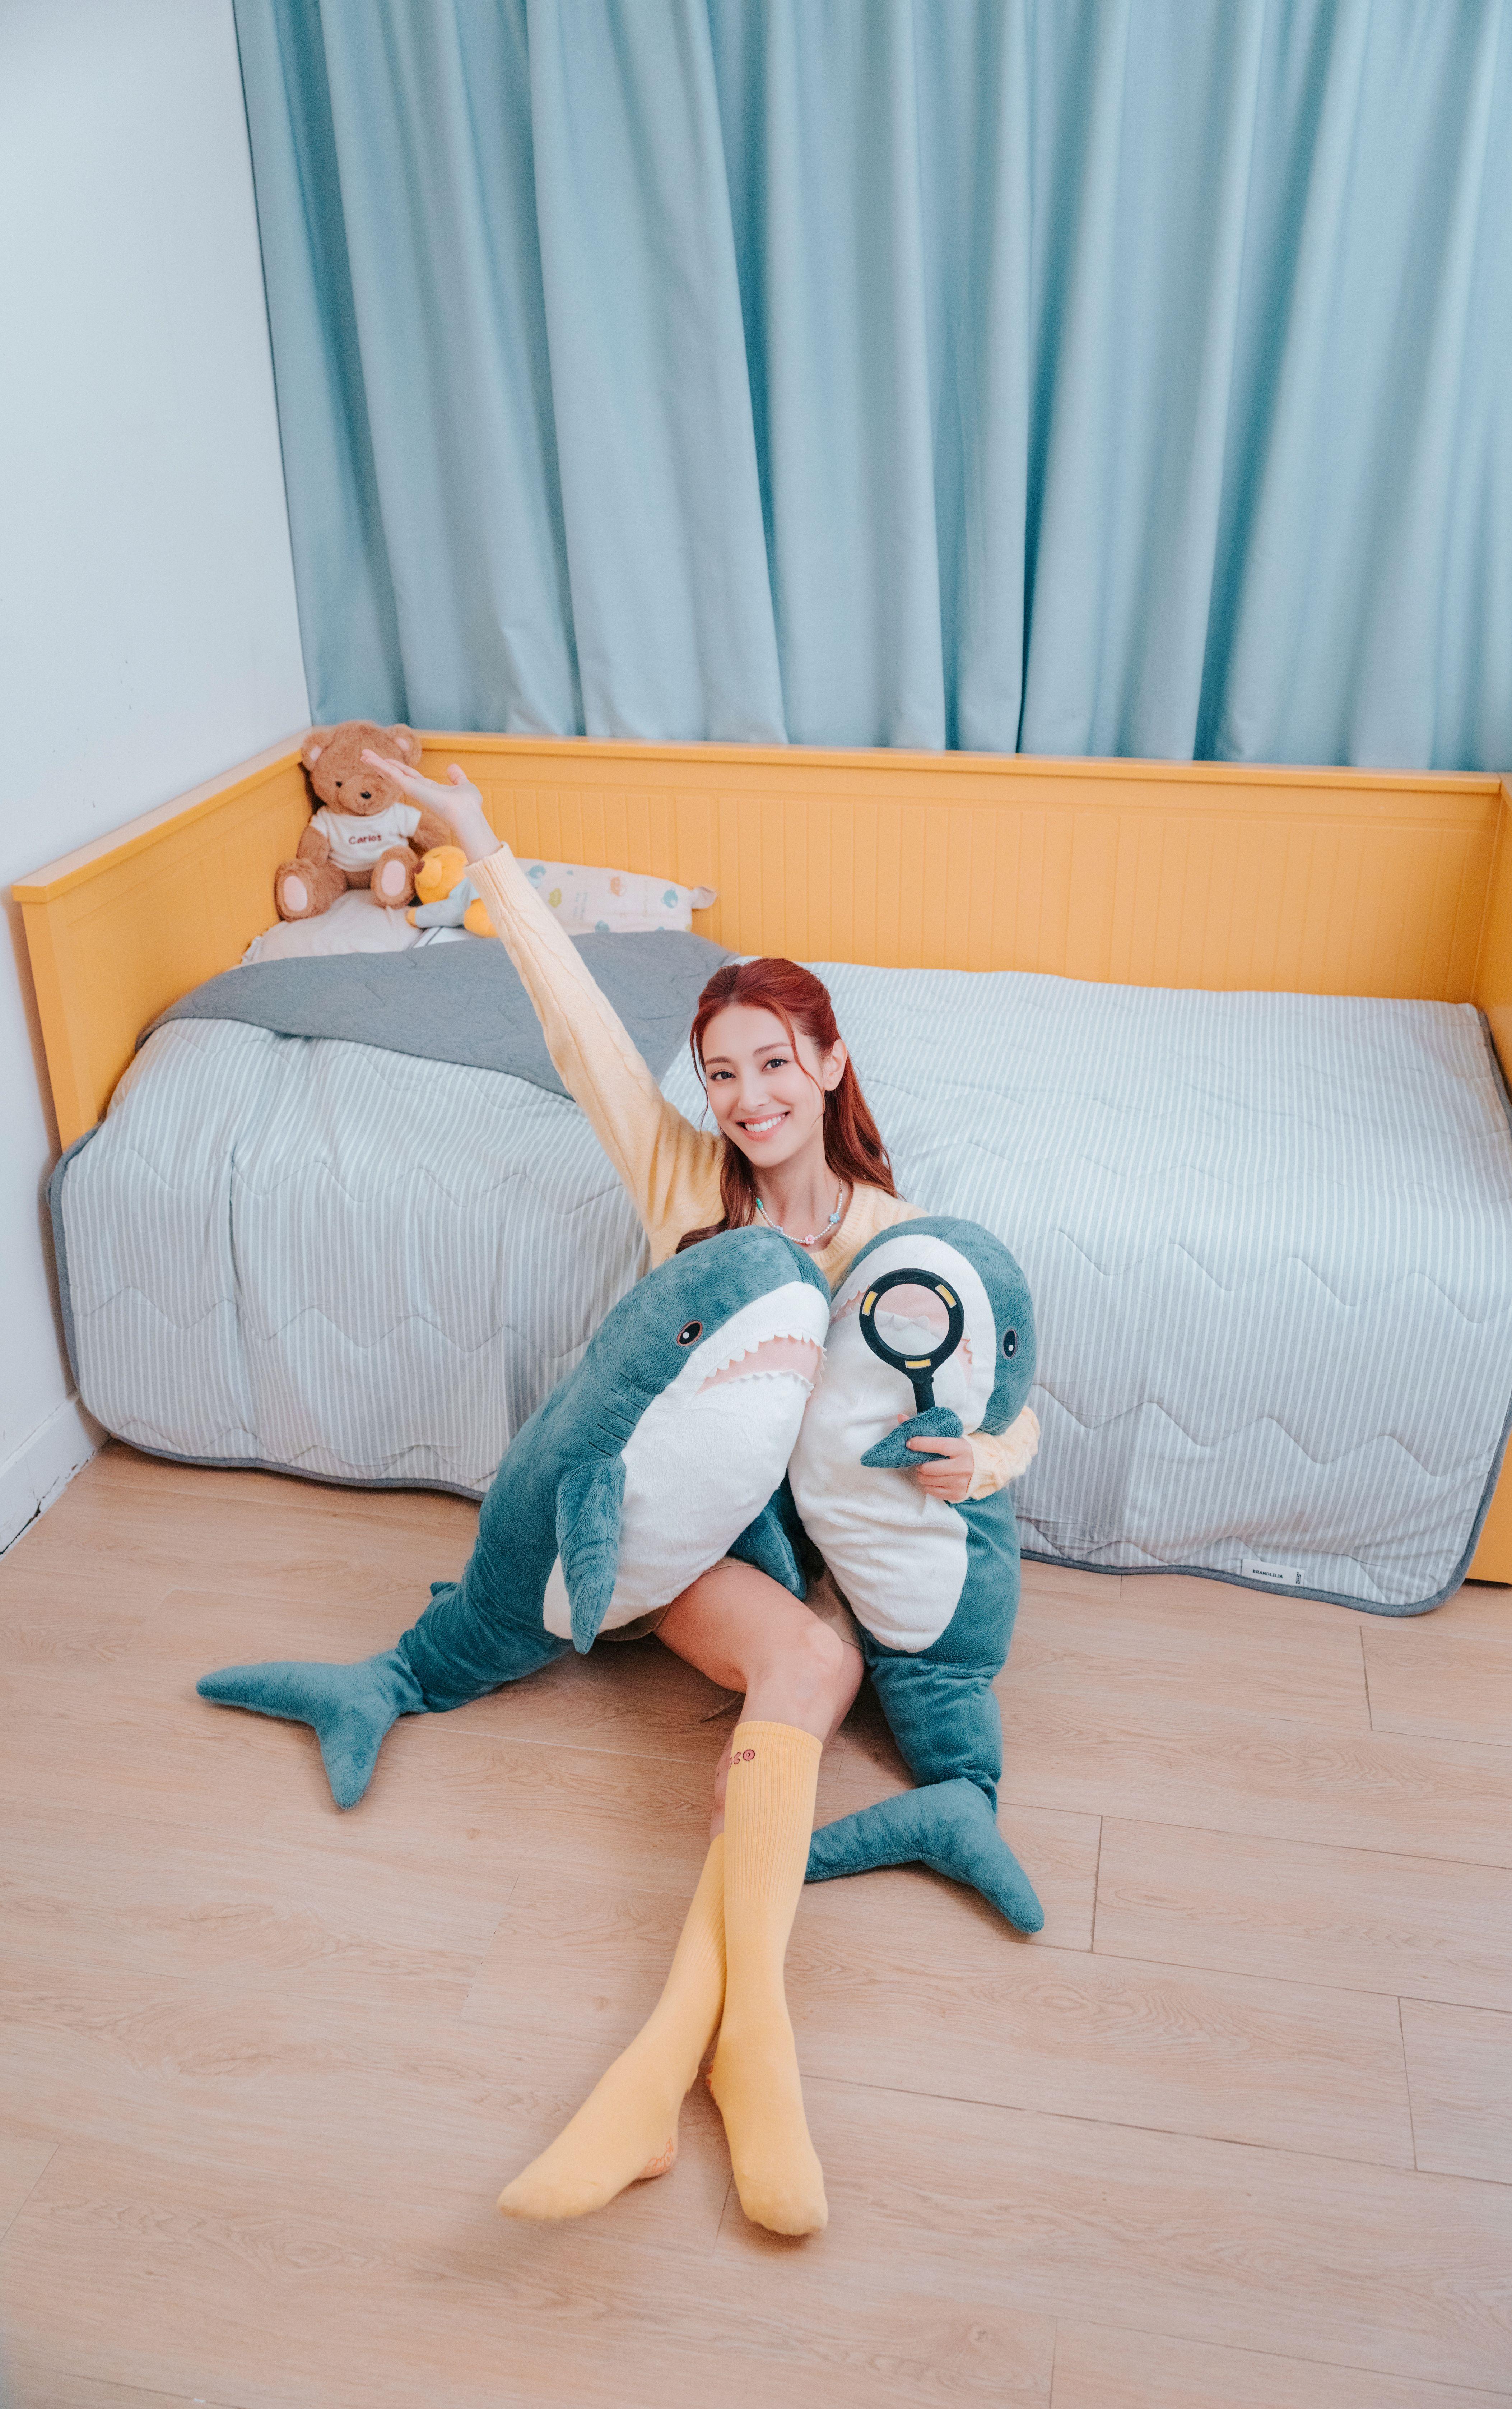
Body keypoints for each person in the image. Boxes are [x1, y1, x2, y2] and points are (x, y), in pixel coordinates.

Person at [364, 751, 1041, 2236]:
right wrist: (480, 843)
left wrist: (973, 1463)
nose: (746, 1098)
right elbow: (575, 1027)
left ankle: (673, 2062)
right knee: (813, 1664)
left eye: (773, 1065)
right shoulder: (683, 1178)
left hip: (790, 1540)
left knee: (823, 1656)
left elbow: (1006, 1403)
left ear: (831, 1064)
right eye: (722, 1072)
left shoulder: (895, 1237)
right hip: (656, 1530)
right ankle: (747, 2052)